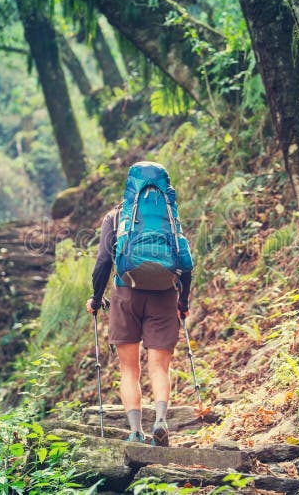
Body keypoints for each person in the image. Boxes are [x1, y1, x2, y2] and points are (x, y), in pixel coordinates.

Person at [86, 162, 192, 447]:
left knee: (129, 369)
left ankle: (135, 432)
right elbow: (185, 262)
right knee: (159, 367)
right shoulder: (169, 215)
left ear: (130, 186)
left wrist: (96, 299)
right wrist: (183, 301)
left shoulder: (117, 215)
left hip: (126, 294)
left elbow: (104, 263)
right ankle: (160, 420)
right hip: (165, 295)